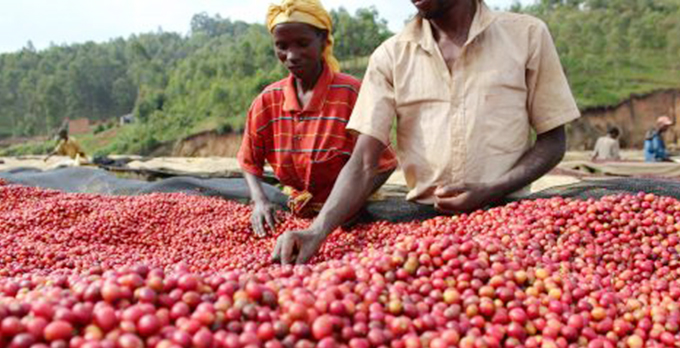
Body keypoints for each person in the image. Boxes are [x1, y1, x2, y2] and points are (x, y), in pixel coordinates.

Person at [272, 0, 581, 264]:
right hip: (425, 225)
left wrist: (492, 189)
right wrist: (317, 230)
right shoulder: (390, 56)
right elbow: (365, 162)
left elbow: (553, 141)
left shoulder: (526, 35)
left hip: (509, 220)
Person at [237, 0, 397, 237]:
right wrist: (259, 200)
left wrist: (344, 207)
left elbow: (383, 165)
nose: (291, 55)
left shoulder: (351, 93)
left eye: (302, 44)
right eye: (281, 46)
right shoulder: (267, 101)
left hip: (350, 216)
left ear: (323, 40)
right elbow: (250, 162)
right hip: (296, 214)